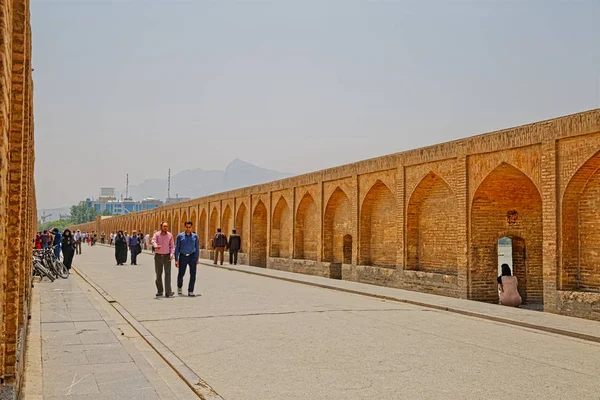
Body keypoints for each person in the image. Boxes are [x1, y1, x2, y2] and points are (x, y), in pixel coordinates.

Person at [175, 221, 199, 297]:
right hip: (183, 256)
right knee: (181, 273)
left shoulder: (195, 236)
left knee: (193, 274)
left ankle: (190, 290)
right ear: (185, 227)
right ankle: (179, 287)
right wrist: (176, 259)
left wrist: (197, 258)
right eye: (187, 227)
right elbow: (177, 248)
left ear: (191, 227)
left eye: (189, 227)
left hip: (192, 256)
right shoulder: (180, 236)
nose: (188, 228)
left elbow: (197, 248)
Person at [152, 222, 175, 298]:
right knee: (159, 274)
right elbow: (153, 241)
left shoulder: (170, 235)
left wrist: (172, 254)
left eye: (167, 226)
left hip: (167, 256)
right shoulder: (157, 234)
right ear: (161, 227)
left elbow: (172, 246)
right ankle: (160, 291)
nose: (165, 227)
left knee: (168, 274)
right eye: (164, 226)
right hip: (158, 256)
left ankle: (168, 291)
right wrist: (156, 246)